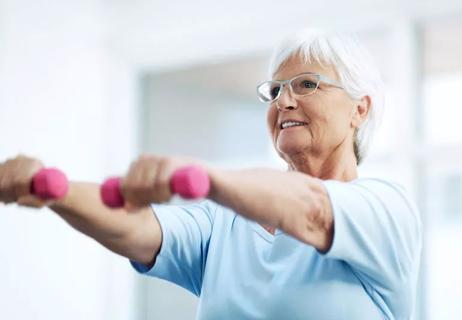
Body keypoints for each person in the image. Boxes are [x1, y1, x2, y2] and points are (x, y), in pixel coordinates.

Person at [0, 29, 422, 319]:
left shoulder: (386, 211)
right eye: (275, 90)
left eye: (306, 84)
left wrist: (202, 175)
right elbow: (138, 227)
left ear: (360, 108)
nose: (284, 101)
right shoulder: (224, 223)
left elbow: (312, 209)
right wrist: (48, 188)